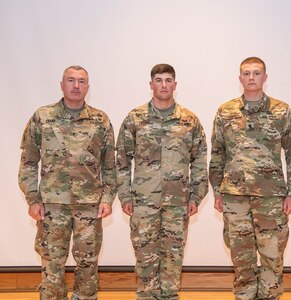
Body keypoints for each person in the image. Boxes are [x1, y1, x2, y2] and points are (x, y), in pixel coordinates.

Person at [18, 65, 117, 300]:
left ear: (88, 87)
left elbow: (110, 166)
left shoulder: (100, 120)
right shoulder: (42, 117)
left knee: (88, 264)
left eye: (81, 81)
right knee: (52, 263)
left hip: (89, 207)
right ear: (61, 85)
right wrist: (33, 199)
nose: (76, 86)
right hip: (52, 206)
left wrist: (107, 198)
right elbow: (28, 163)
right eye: (71, 80)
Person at [209, 57, 291, 300]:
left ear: (265, 78)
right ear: (240, 79)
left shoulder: (282, 111)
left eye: (256, 73)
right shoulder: (226, 111)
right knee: (241, 254)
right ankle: (245, 295)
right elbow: (217, 154)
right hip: (234, 196)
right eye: (246, 73)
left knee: (272, 254)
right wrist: (218, 192)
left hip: (271, 197)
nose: (251, 77)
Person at [116, 63, 208, 300]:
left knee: (173, 254)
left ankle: (169, 296)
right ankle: (146, 296)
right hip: (143, 201)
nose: (164, 85)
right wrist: (126, 196)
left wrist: (196, 196)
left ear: (175, 85)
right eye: (159, 80)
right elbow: (121, 161)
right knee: (145, 252)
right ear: (151, 85)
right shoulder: (135, 119)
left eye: (168, 80)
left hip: (178, 201)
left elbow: (199, 160)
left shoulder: (189, 121)